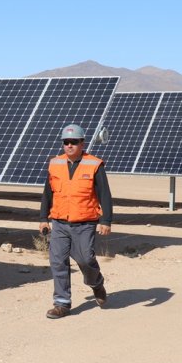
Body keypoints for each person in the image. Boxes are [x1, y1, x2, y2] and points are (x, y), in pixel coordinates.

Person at [39, 123, 113, 319]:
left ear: (82, 143)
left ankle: (96, 283)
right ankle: (62, 303)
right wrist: (43, 218)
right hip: (59, 222)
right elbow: (48, 193)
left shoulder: (94, 164)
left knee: (85, 259)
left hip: (84, 222)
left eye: (74, 142)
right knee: (58, 262)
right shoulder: (55, 163)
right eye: (66, 142)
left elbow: (105, 194)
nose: (69, 145)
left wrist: (106, 220)